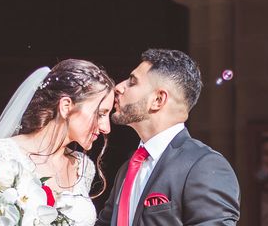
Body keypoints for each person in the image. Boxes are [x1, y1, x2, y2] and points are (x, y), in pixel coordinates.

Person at [0, 59, 115, 226]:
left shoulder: (83, 167)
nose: (106, 127)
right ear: (66, 106)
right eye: (100, 114)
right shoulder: (3, 155)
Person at [96, 49, 240, 226]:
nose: (118, 87)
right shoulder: (128, 169)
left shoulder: (203, 165)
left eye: (132, 82)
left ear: (158, 99)